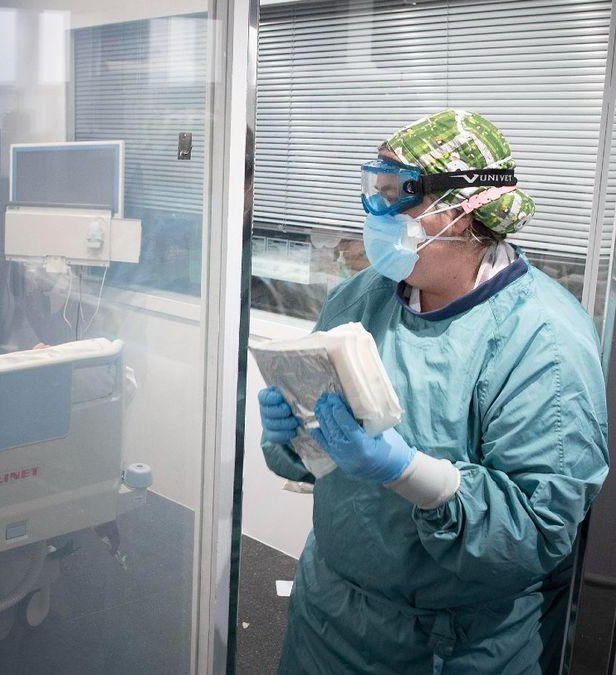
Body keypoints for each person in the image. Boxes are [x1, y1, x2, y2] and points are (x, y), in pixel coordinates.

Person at [257, 109, 609, 672]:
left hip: (450, 644)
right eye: (378, 190)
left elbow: (537, 532)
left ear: (465, 214)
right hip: (329, 613)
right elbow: (320, 457)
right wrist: (296, 435)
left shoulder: (542, 339)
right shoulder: (362, 297)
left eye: (401, 196)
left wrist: (408, 472)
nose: (376, 213)